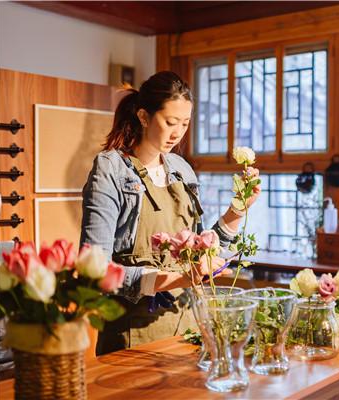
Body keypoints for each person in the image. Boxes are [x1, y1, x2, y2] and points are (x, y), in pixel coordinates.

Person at [80, 71, 260, 355]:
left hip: (187, 326)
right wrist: (179, 277)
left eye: (185, 123)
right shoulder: (111, 169)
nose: (177, 133)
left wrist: (238, 209)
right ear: (143, 116)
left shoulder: (181, 168)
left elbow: (200, 248)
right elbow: (95, 270)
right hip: (133, 335)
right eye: (170, 122)